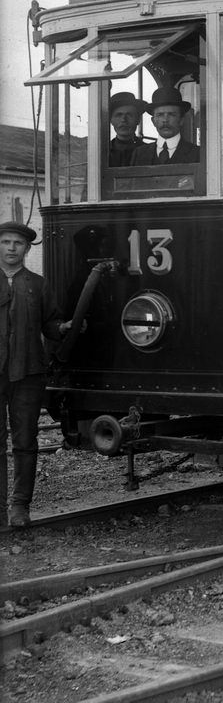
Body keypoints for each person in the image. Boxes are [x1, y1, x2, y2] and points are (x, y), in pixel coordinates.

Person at [0, 222, 80, 528]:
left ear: (26, 249)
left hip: (29, 373)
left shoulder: (38, 284)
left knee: (25, 441)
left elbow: (50, 325)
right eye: (6, 242)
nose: (11, 248)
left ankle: (19, 506)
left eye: (17, 243)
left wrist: (63, 328)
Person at [130, 86, 200, 165]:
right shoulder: (139, 154)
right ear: (153, 121)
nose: (165, 120)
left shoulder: (197, 154)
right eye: (160, 115)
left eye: (171, 114)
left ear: (181, 120)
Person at [108, 92, 148, 166]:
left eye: (129, 115)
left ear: (138, 120)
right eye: (119, 115)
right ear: (111, 120)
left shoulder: (149, 152)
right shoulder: (102, 152)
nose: (124, 120)